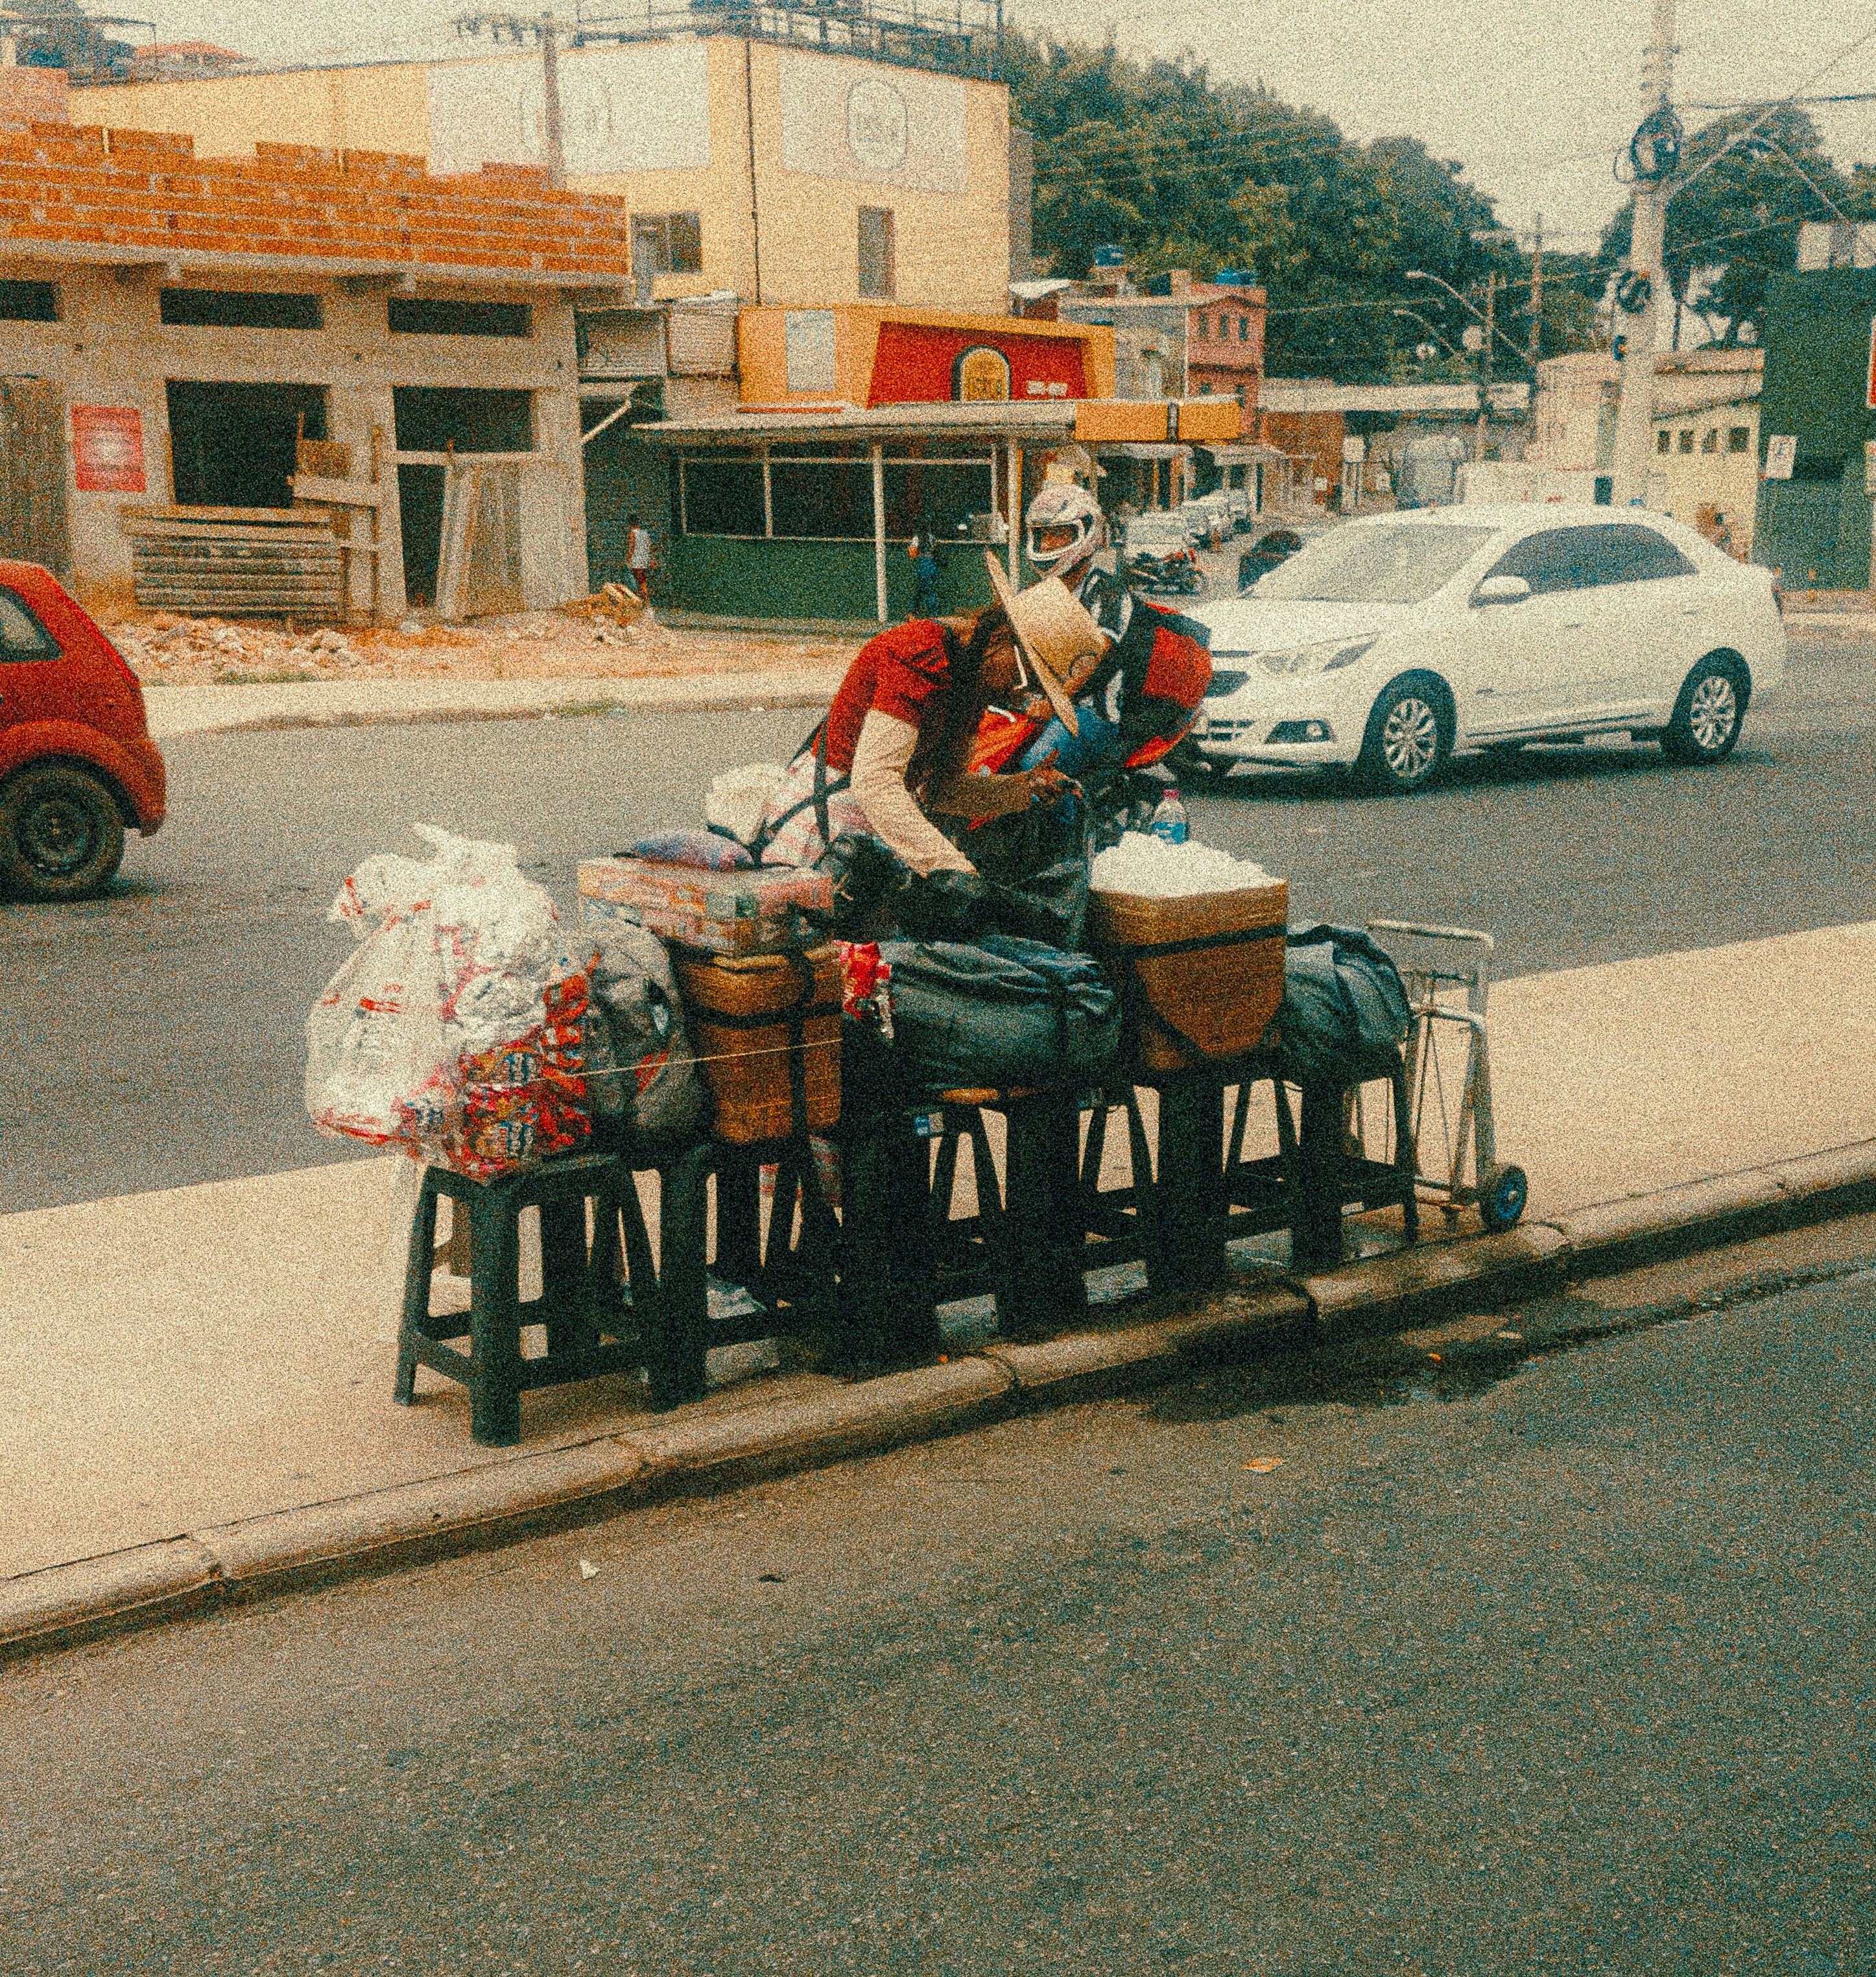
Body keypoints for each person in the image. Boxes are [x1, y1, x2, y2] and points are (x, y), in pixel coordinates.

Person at [757, 603, 1079, 876]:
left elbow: (944, 790)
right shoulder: (919, 650)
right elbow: (876, 781)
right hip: (830, 815)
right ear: (1000, 639)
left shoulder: (972, 681)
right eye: (1023, 678)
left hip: (882, 821)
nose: (1016, 693)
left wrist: (1024, 789)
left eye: (1032, 689)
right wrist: (952, 868)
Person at [908, 531, 940, 616]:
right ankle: (932, 614)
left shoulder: (917, 538)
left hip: (923, 564)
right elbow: (935, 549)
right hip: (931, 564)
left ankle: (913, 613)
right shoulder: (932, 537)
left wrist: (912, 550)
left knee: (921, 590)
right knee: (928, 590)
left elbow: (913, 554)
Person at [626, 513, 654, 601]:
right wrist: (651, 559)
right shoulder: (645, 533)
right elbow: (650, 546)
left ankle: (645, 600)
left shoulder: (633, 533)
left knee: (639, 582)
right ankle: (644, 599)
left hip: (636, 561)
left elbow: (631, 547)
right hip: (644, 560)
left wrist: (628, 559)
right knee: (643, 581)